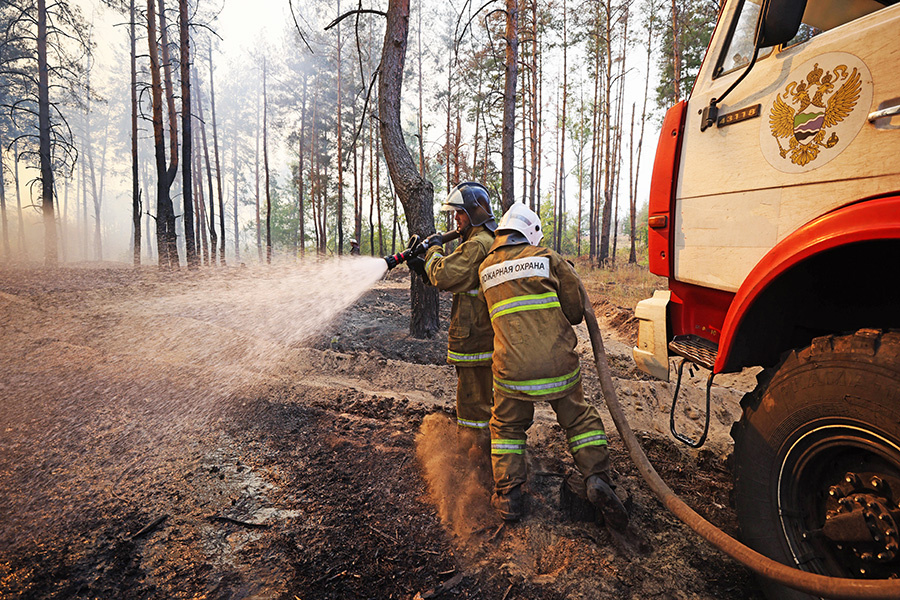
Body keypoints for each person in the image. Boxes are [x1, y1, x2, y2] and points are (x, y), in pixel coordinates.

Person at [477, 203, 628, 530]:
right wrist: (565, 273)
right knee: (579, 419)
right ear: (531, 233)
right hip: (558, 364)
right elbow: (574, 313)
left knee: (506, 427)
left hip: (511, 370)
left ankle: (509, 496)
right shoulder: (548, 258)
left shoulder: (485, 268)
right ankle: (596, 478)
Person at [410, 182, 496, 440]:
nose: (455, 218)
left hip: (476, 339)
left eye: (459, 212)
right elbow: (459, 279)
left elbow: (444, 274)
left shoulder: (478, 244)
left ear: (474, 213)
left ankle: (474, 451)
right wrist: (424, 269)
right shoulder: (480, 241)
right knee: (481, 402)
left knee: (473, 407)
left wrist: (434, 249)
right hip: (479, 335)